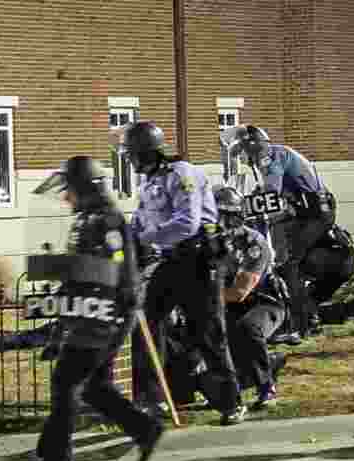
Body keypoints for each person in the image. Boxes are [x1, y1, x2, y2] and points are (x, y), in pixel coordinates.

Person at [24, 155, 163, 461]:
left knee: (66, 382)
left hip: (106, 314)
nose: (65, 197)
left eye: (70, 190)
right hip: (93, 312)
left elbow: (118, 271)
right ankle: (144, 429)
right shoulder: (89, 219)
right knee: (93, 387)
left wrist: (105, 310)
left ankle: (58, 459)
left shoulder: (108, 221)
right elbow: (80, 272)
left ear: (86, 189)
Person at [123, 120, 246, 426]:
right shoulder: (150, 182)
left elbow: (187, 223)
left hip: (198, 261)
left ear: (146, 152)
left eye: (132, 153)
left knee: (209, 333)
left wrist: (146, 237)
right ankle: (150, 399)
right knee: (147, 324)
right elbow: (140, 220)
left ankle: (232, 402)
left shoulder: (181, 174)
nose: (129, 159)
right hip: (170, 261)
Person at [232, 125, 337, 339]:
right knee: (285, 260)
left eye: (243, 148)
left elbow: (271, 193)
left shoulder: (270, 157)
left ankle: (300, 325)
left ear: (253, 146)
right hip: (304, 213)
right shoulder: (274, 154)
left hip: (315, 215)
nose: (241, 154)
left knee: (289, 264)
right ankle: (305, 316)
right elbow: (269, 193)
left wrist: (248, 206)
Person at [214, 186, 287, 409]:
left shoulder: (254, 243)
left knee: (248, 328)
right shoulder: (211, 243)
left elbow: (239, 292)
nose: (217, 222)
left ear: (236, 217)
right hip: (228, 304)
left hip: (265, 302)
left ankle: (266, 387)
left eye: (223, 216)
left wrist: (203, 297)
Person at [301, 226, 354, 335]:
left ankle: (353, 309)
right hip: (339, 263)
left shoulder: (303, 226)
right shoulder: (318, 223)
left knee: (304, 303)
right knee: (306, 301)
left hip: (333, 266)